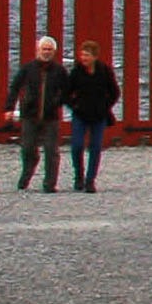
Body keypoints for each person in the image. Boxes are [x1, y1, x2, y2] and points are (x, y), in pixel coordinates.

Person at [6, 33, 64, 191]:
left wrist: (58, 103)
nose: (46, 52)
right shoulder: (28, 68)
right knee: (28, 148)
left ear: (54, 52)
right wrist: (9, 108)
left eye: (50, 50)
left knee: (52, 151)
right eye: (44, 49)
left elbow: (67, 91)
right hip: (30, 115)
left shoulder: (59, 71)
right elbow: (15, 88)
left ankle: (49, 184)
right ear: (38, 50)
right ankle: (26, 176)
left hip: (51, 117)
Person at [62, 40, 121, 192]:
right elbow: (66, 93)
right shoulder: (76, 71)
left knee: (95, 147)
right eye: (82, 55)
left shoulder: (104, 71)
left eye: (87, 55)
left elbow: (114, 92)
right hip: (80, 114)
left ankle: (90, 181)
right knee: (77, 145)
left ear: (95, 56)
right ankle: (79, 176)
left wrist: (105, 106)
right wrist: (74, 105)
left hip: (99, 115)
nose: (83, 58)